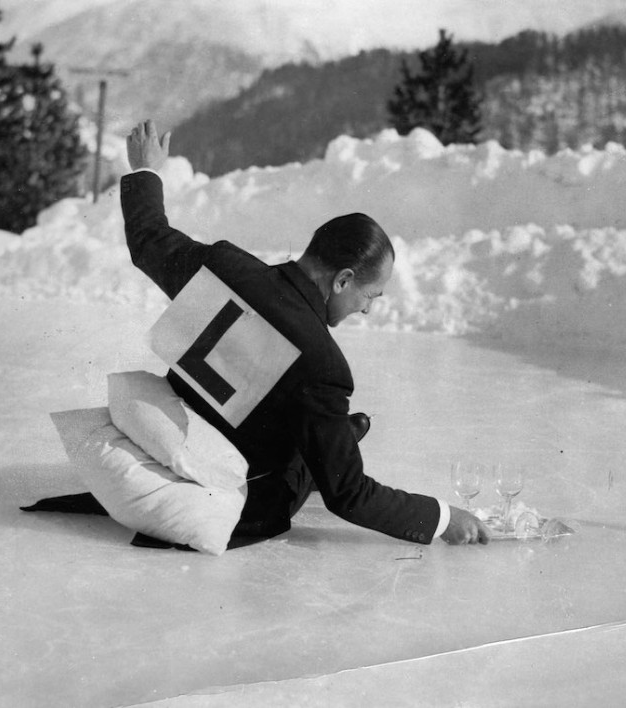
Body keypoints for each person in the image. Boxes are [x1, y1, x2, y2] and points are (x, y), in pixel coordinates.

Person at [122, 119, 489, 547]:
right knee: (325, 446)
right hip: (237, 495)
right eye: (370, 295)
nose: (367, 309)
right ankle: (335, 437)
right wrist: (443, 518)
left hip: (175, 443)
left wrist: (144, 169)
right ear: (343, 279)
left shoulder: (226, 268)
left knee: (321, 422)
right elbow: (349, 495)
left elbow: (148, 239)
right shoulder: (323, 365)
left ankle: (337, 433)